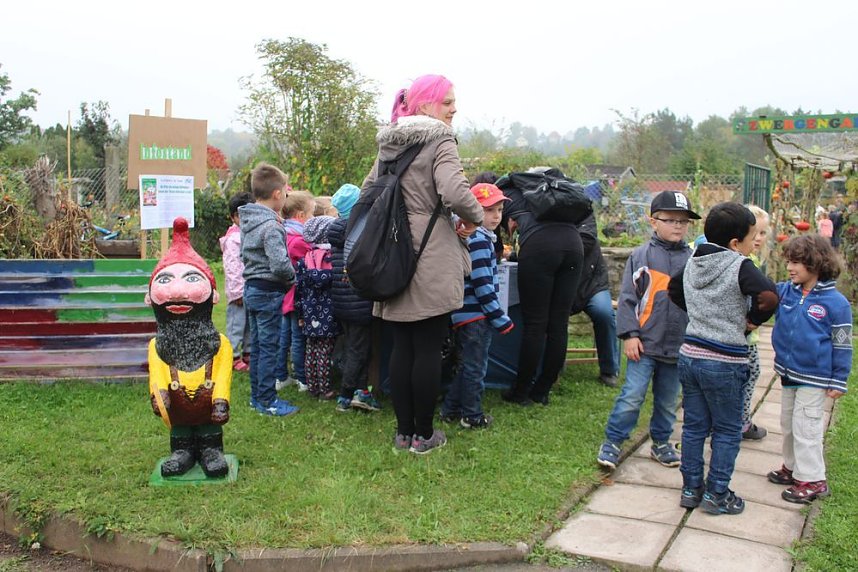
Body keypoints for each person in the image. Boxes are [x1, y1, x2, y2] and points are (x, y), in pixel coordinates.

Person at [367, 74, 483, 454]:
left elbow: (368, 192)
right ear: (425, 105)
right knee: (429, 347)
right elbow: (453, 190)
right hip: (430, 253)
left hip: (392, 253)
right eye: (447, 101)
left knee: (403, 346)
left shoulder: (389, 144)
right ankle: (424, 434)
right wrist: (475, 215)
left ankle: (403, 433)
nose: (454, 109)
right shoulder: (440, 139)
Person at [669, 202, 778, 515]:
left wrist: (700, 316)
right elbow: (769, 296)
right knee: (728, 430)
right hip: (724, 360)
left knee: (693, 427)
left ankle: (691, 489)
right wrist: (752, 322)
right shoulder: (739, 264)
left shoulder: (692, 261)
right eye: (751, 237)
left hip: (690, 355)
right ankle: (717, 493)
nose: (751, 243)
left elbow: (673, 290)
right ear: (735, 243)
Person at [596, 191, 697, 471]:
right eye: (671, 220)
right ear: (653, 222)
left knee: (667, 401)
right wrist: (630, 335)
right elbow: (628, 298)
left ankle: (662, 443)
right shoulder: (641, 256)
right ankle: (613, 442)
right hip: (644, 344)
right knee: (632, 395)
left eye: (683, 221)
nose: (678, 226)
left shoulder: (693, 260)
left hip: (678, 346)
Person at [768, 234, 852, 503]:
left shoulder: (836, 304)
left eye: (796, 263)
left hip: (815, 377)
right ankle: (793, 468)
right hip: (789, 373)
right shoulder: (786, 291)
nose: (790, 268)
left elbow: (842, 345)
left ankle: (814, 479)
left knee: (807, 427)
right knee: (788, 423)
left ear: (816, 263)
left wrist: (839, 379)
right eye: (789, 262)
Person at [146, 217, 232, 478]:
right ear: (149, 297)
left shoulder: (220, 344)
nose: (177, 291)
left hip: (208, 402)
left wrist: (221, 399)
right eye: (165, 280)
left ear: (213, 296)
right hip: (177, 404)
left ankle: (211, 450)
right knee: (180, 430)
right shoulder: (156, 345)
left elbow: (223, 374)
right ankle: (181, 451)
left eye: (192, 278)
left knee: (209, 431)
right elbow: (157, 374)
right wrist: (159, 394)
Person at [499, 168, 585, 406]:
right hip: (573, 246)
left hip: (540, 246)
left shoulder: (508, 192)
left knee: (536, 324)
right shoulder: (553, 189)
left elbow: (495, 230)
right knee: (559, 324)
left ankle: (521, 392)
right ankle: (542, 390)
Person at [441, 183, 514, 429]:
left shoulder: (472, 236)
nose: (496, 216)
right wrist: (500, 318)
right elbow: (484, 286)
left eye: (500, 209)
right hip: (477, 318)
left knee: (465, 366)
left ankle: (450, 408)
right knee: (476, 369)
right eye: (488, 210)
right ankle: (471, 415)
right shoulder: (480, 241)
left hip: (465, 316)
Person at [239, 162, 299, 417]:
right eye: (285, 192)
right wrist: (292, 278)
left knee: (258, 347)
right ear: (277, 194)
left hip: (251, 289)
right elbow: (279, 264)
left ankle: (257, 397)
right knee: (269, 348)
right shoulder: (271, 226)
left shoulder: (249, 220)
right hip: (267, 292)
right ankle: (267, 400)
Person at [328, 183, 382, 413]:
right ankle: (345, 396)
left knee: (355, 346)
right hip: (359, 300)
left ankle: (362, 391)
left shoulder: (336, 230)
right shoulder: (361, 231)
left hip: (341, 301)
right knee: (358, 351)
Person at [571, 212, 620, 387]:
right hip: (562, 286)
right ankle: (550, 368)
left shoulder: (585, 213)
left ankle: (609, 370)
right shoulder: (544, 213)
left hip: (592, 284)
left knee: (604, 313)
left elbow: (586, 241)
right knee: (551, 318)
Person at [295, 215, 340, 399]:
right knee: (325, 351)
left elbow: (298, 290)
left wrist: (300, 314)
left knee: (311, 350)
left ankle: (313, 386)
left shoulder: (304, 260)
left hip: (309, 313)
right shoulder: (331, 259)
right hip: (328, 314)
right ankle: (326, 388)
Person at [275, 191, 315, 392]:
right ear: (300, 215)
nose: (312, 219)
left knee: (285, 337)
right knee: (298, 338)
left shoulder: (284, 234)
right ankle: (302, 378)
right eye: (311, 214)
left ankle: (281, 375)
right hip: (296, 297)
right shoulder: (298, 240)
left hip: (285, 296)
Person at [740, 205, 770, 440]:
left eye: (762, 233)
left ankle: (739, 419)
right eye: (754, 233)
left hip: (748, 334)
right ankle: (741, 421)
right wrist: (753, 319)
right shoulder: (743, 262)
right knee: (750, 372)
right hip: (741, 335)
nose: (758, 239)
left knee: (749, 373)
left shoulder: (751, 260)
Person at [219, 192, 253, 372]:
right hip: (238, 291)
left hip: (249, 288)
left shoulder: (246, 234)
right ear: (234, 217)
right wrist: (237, 292)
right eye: (242, 215)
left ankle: (247, 353)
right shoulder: (233, 239)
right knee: (236, 325)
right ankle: (232, 356)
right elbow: (232, 268)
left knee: (248, 324)